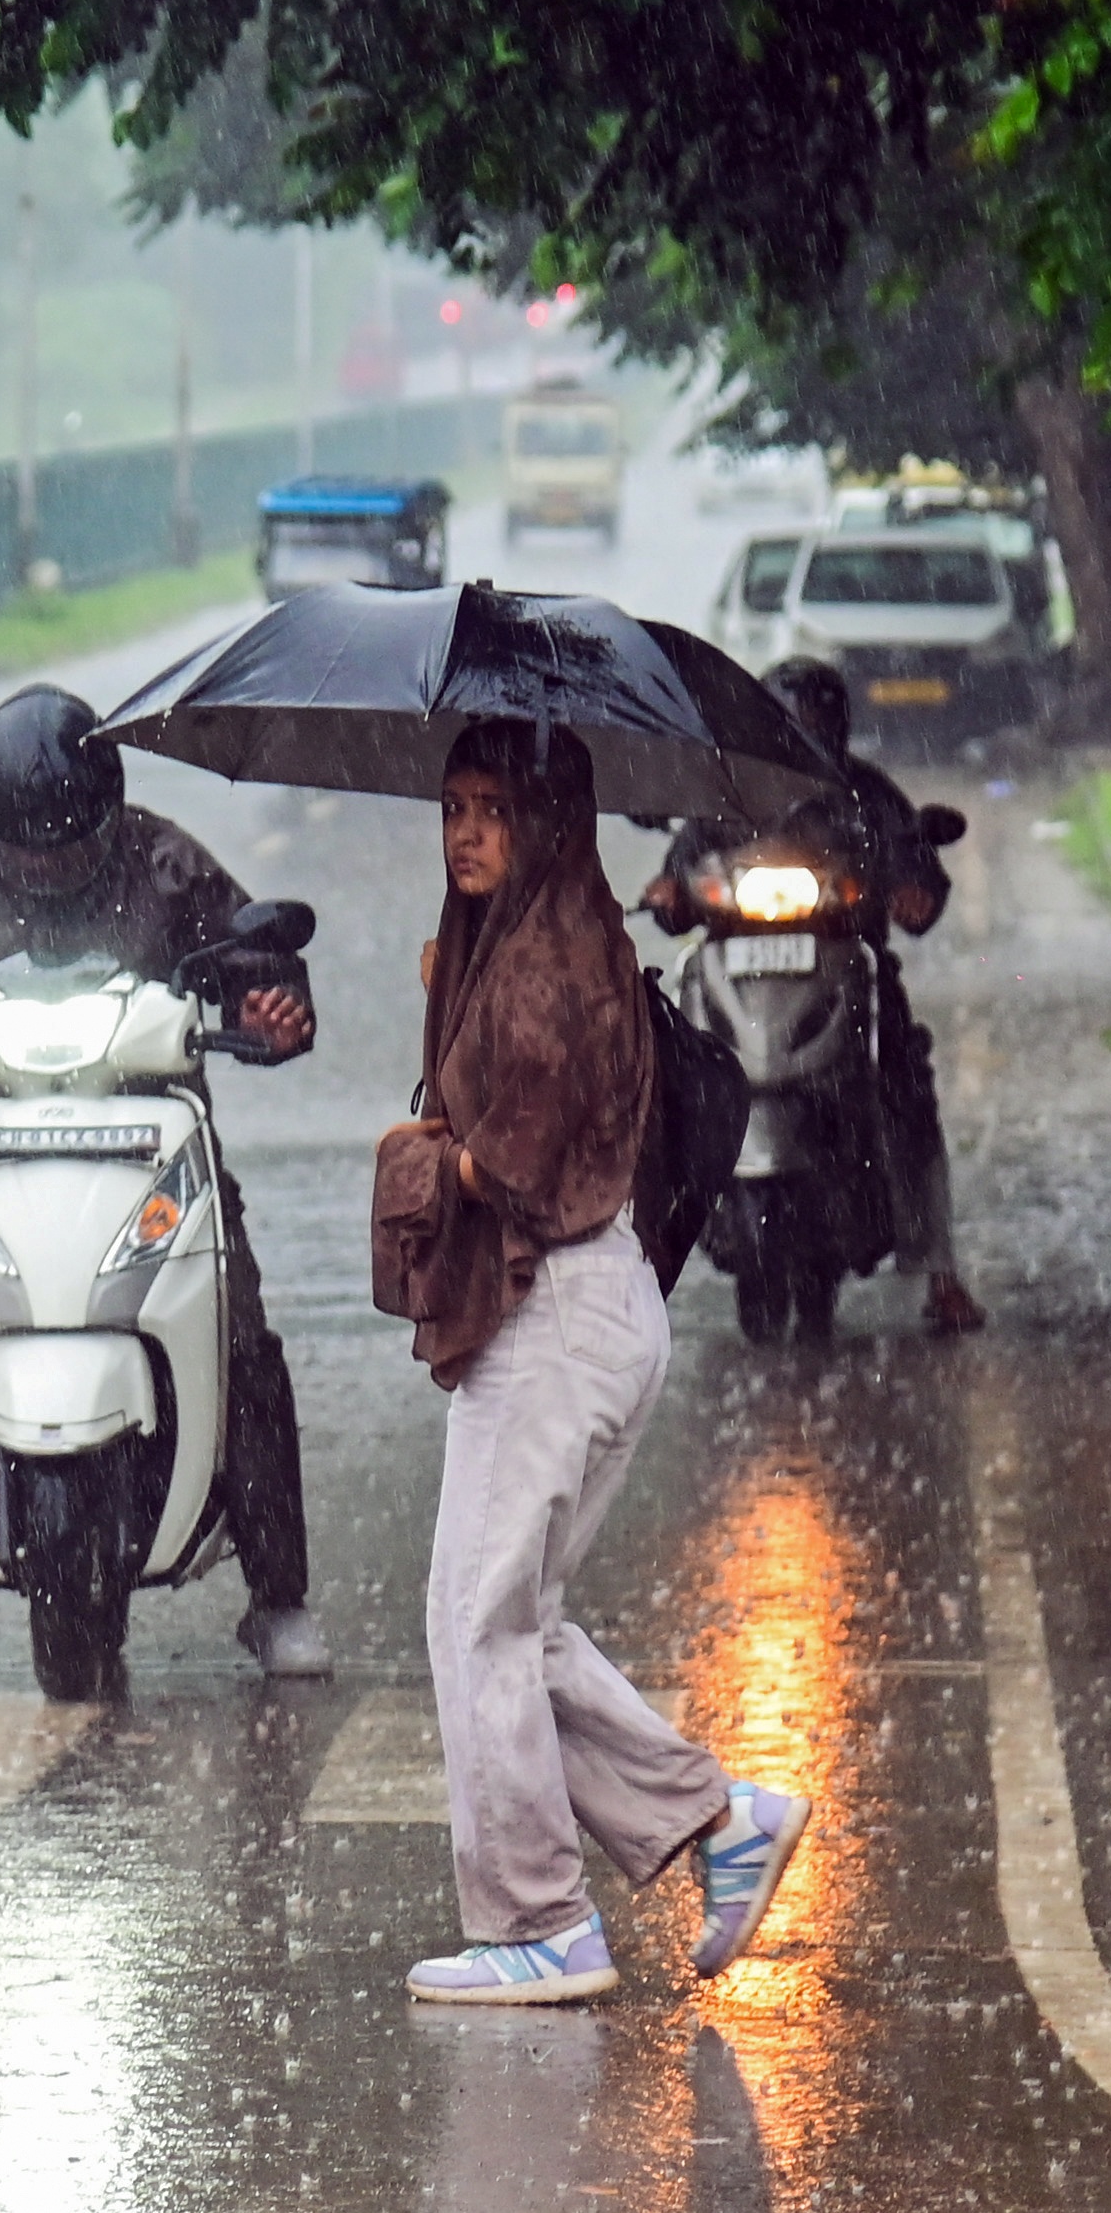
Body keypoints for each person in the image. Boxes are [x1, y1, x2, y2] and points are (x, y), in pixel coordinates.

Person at [374, 718, 809, 2004]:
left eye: (492, 810)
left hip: (553, 1314)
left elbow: (510, 1164)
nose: (464, 833)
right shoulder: (538, 940)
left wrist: (416, 1157)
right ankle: (714, 1821)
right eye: (451, 807)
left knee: (480, 1620)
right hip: (575, 1313)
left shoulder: (546, 963)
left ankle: (540, 1923)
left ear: (546, 822)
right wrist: (448, 1002)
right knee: (501, 1619)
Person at [0, 684, 327, 1684]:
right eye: (24, 853)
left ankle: (279, 1595)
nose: (45, 868)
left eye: (67, 850)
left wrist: (271, 1003)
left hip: (144, 1145)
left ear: (108, 817)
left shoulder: (165, 862)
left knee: (240, 1335)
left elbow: (255, 959)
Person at [639, 657, 984, 1333]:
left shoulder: (865, 793)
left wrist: (912, 886)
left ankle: (939, 1271)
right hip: (736, 978)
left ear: (837, 726)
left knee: (906, 1083)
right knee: (665, 1075)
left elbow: (914, 863)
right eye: (785, 723)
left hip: (845, 972)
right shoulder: (724, 798)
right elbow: (680, 876)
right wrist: (670, 894)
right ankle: (644, 1242)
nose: (798, 736)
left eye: (813, 723)